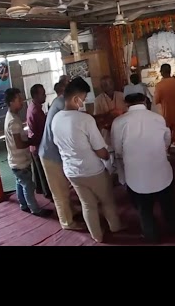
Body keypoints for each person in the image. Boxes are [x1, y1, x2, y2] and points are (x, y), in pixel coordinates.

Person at [52, 79, 124, 243]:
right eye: (83, 99)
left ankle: (96, 236)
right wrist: (107, 157)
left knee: (87, 204)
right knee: (107, 200)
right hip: (93, 170)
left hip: (72, 171)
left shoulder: (56, 119)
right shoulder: (84, 120)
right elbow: (101, 151)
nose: (83, 102)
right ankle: (115, 226)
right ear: (76, 98)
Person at [112, 93, 175, 242]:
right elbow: (166, 141)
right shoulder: (157, 118)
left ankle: (151, 235)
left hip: (136, 176)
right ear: (145, 101)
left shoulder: (119, 122)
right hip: (161, 171)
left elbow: (117, 150)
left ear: (126, 104)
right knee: (168, 204)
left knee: (144, 210)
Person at [39, 78, 85, 231]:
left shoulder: (61, 103)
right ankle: (67, 222)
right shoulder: (62, 105)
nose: (81, 103)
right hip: (50, 155)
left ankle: (71, 212)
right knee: (60, 192)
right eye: (80, 99)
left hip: (57, 153)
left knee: (64, 187)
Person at [4, 89, 50, 217]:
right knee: (28, 186)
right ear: (11, 102)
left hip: (15, 160)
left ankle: (23, 205)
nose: (22, 102)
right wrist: (32, 141)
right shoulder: (13, 121)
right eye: (19, 100)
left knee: (20, 182)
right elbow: (19, 144)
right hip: (20, 161)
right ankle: (34, 209)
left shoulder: (11, 116)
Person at [26, 84, 51, 200]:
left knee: (38, 171)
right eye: (42, 93)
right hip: (39, 144)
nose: (45, 95)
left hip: (34, 144)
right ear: (36, 95)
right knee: (44, 172)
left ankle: (41, 190)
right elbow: (43, 129)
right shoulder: (36, 110)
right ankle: (49, 194)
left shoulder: (32, 106)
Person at [154, 63, 175, 157]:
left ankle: (167, 150)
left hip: (166, 113)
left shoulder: (159, 85)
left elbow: (156, 100)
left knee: (167, 132)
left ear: (162, 72)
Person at [94, 75, 127, 141]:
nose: (109, 86)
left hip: (123, 129)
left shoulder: (121, 95)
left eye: (110, 83)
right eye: (105, 85)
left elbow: (127, 112)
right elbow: (97, 118)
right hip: (107, 133)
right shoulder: (98, 100)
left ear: (113, 84)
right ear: (102, 87)